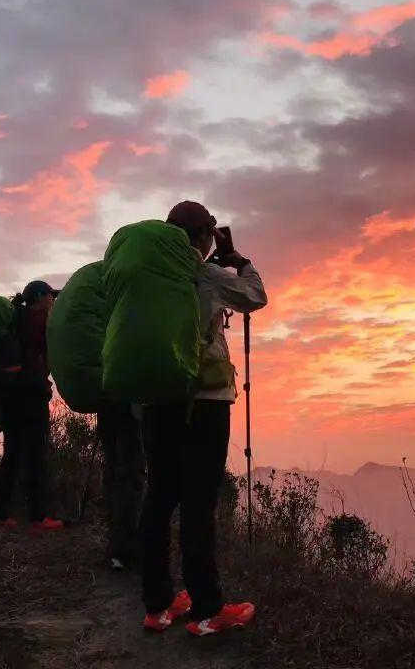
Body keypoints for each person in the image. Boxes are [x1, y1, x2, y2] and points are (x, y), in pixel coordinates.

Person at [141, 200, 267, 636]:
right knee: (198, 503)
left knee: (159, 499)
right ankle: (208, 610)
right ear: (202, 236)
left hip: (155, 399)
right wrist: (238, 259)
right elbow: (255, 296)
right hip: (204, 402)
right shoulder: (205, 275)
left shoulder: (149, 277)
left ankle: (157, 605)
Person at [0, 281, 64, 531]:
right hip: (30, 396)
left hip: (11, 396)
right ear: (39, 298)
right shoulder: (37, 322)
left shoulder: (16, 322)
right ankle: (38, 516)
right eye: (50, 296)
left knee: (13, 454)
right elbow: (40, 358)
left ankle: (0, 513)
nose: (53, 301)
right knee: (37, 454)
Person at [96, 400, 145, 570]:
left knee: (113, 472)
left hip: (106, 405)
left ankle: (116, 545)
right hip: (128, 407)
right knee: (130, 475)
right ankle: (125, 549)